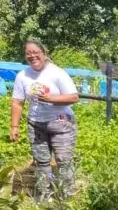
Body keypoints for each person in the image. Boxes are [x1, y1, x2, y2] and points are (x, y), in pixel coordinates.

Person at [10, 39, 79, 201]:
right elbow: (17, 102)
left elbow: (74, 97)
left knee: (63, 161)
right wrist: (14, 126)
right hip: (36, 124)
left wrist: (51, 99)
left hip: (61, 123)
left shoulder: (57, 73)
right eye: (28, 54)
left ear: (44, 54)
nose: (32, 56)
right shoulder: (23, 76)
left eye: (36, 53)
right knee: (41, 162)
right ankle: (44, 195)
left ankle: (65, 197)